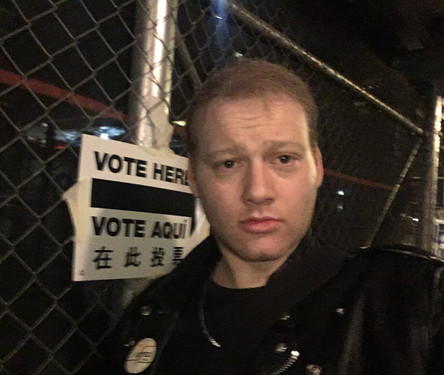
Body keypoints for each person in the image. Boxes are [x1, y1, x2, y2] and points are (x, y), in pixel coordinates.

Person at [104, 59, 444, 374]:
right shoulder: (150, 316)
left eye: (283, 159)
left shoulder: (409, 301)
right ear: (193, 178)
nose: (257, 191)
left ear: (317, 168)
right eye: (228, 163)